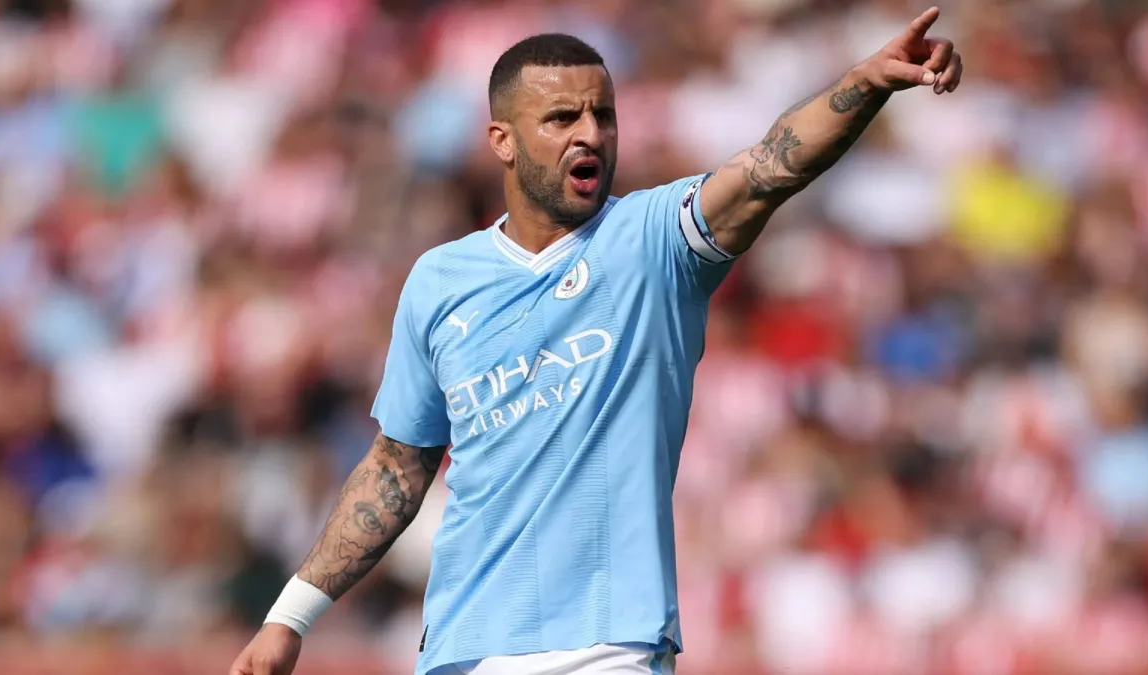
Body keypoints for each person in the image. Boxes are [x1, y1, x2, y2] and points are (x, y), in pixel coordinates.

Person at [228, 7, 963, 675]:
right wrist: (290, 616)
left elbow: (772, 166)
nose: (590, 133)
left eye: (602, 115)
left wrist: (867, 83)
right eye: (561, 118)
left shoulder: (651, 242)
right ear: (502, 140)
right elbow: (396, 469)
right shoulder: (439, 281)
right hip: (462, 649)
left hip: (607, 648)